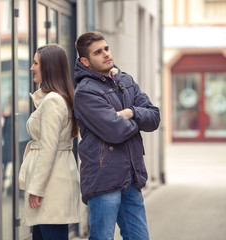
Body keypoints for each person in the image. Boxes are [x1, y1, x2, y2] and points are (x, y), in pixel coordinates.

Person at [73, 31, 160, 240]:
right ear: (85, 61)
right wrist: (138, 120)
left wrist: (131, 112)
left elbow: (154, 117)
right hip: (104, 180)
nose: (105, 54)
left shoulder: (125, 80)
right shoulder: (85, 92)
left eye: (106, 48)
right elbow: (115, 130)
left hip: (131, 177)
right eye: (98, 52)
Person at [19, 44, 81, 240]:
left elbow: (48, 148)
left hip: (50, 186)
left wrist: (36, 189)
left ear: (49, 67)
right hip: (52, 183)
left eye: (36, 63)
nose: (32, 67)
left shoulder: (53, 101)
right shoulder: (56, 98)